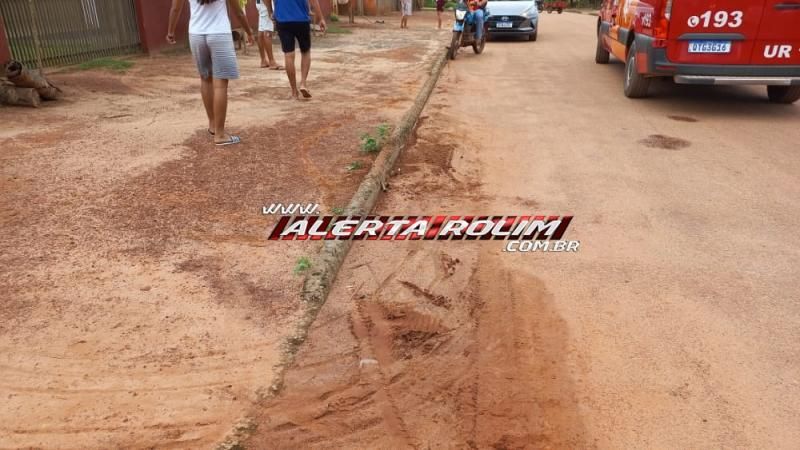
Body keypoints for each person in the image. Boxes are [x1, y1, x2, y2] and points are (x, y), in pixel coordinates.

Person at [167, 0, 254, 146]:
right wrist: (249, 32)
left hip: (196, 34)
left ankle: (213, 125)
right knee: (220, 85)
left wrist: (170, 31)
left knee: (205, 79)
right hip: (219, 34)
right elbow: (238, 11)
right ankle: (220, 135)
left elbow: (175, 9)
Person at [267, 0, 326, 99]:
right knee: (305, 52)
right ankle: (303, 83)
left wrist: (270, 11)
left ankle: (294, 92)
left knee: (289, 54)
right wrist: (320, 18)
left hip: (283, 19)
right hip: (301, 19)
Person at [255, 0, 282, 69]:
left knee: (261, 30)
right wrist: (270, 11)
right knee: (268, 30)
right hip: (265, 4)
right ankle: (271, 61)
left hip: (259, 3)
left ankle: (263, 60)